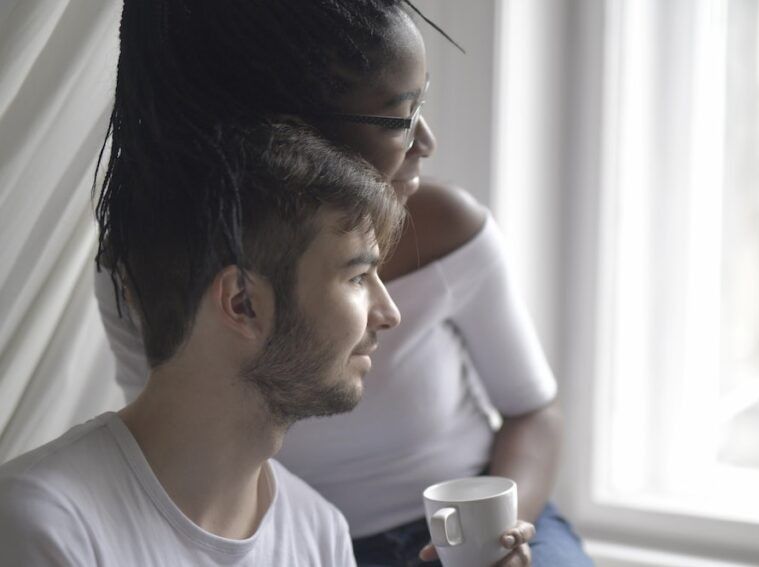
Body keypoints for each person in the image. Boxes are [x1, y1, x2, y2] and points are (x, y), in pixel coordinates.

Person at [95, 1, 591, 565]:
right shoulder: (150, 276)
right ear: (295, 133)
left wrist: (490, 539)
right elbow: (174, 453)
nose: (425, 141)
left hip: (470, 525)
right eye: (402, 116)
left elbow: (534, 412)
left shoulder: (448, 229)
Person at [0, 121, 404, 565]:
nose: (389, 313)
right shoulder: (43, 525)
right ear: (242, 303)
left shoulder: (320, 532)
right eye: (358, 277)